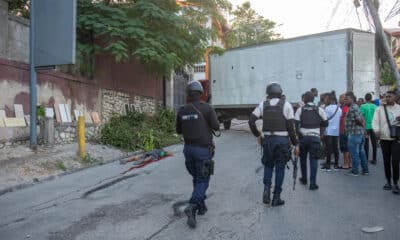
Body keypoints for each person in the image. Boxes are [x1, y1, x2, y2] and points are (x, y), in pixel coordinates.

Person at [176, 80, 220, 228]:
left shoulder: (182, 110)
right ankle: (193, 205)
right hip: (202, 150)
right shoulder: (207, 108)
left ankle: (201, 207)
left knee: (197, 177)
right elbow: (216, 126)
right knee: (203, 180)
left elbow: (178, 131)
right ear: (201, 93)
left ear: (188, 94)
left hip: (188, 150)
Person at [248, 83, 299, 206]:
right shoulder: (286, 105)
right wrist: (296, 144)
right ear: (280, 93)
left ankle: (266, 190)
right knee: (280, 168)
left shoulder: (262, 104)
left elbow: (251, 121)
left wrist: (258, 135)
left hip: (268, 140)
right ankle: (276, 197)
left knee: (268, 166)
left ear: (268, 93)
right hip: (282, 141)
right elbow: (291, 128)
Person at [295, 91, 327, 190]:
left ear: (304, 99)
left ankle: (304, 179)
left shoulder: (300, 109)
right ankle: (312, 183)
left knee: (303, 159)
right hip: (315, 137)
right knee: (313, 160)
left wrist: (299, 135)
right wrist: (319, 132)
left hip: (303, 138)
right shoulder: (319, 110)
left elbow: (295, 125)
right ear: (313, 99)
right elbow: (326, 123)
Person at [372, 90, 400, 194]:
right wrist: (377, 131)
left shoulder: (399, 108)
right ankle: (388, 181)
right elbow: (375, 121)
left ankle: (396, 183)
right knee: (386, 161)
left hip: (396, 139)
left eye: (389, 96)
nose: (387, 98)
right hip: (384, 139)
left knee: (396, 161)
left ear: (396, 97)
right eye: (386, 96)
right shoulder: (379, 109)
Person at [344, 91, 368, 176]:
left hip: (354, 133)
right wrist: (363, 129)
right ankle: (365, 170)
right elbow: (362, 119)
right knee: (361, 152)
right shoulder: (356, 106)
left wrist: (360, 125)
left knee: (354, 153)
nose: (345, 101)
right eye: (344, 99)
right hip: (359, 133)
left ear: (352, 99)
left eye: (347, 99)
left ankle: (355, 171)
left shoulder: (353, 107)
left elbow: (359, 119)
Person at [323, 91, 342, 170]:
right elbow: (340, 117)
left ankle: (328, 165)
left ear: (330, 100)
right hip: (336, 131)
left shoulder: (327, 108)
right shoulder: (339, 109)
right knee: (336, 148)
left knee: (328, 148)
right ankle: (336, 165)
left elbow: (325, 118)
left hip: (328, 130)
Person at [360, 93, 378, 164]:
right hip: (374, 127)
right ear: (371, 99)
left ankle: (366, 158)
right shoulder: (375, 106)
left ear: (365, 98)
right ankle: (374, 159)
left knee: (366, 144)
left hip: (366, 127)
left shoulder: (362, 106)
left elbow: (361, 117)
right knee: (374, 144)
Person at [339, 93, 351, 169]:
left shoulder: (345, 107)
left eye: (341, 98)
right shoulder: (344, 107)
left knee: (345, 148)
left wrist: (343, 130)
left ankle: (346, 164)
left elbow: (344, 119)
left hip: (344, 130)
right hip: (347, 130)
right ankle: (349, 163)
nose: (339, 99)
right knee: (347, 147)